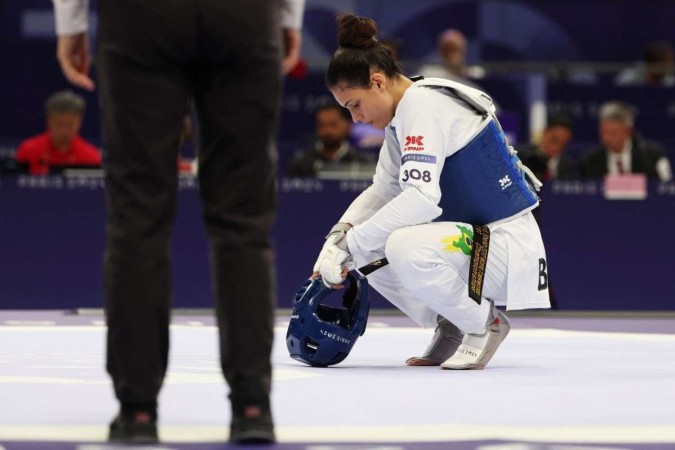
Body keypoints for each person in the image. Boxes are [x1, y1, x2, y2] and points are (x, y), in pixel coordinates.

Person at [52, 0, 304, 444]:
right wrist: (286, 15)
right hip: (242, 16)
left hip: (142, 18)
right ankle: (251, 404)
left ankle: (137, 411)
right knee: (243, 223)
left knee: (138, 219)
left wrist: (70, 21)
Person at [312, 14, 550, 371]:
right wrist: (337, 240)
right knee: (365, 249)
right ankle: (453, 322)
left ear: (377, 82)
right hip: (474, 242)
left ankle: (484, 323)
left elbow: (421, 199)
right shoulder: (401, 116)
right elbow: (383, 189)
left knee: (398, 244)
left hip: (504, 244)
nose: (356, 120)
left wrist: (352, 242)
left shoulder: (422, 104)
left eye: (354, 105)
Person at [579, 101, 672, 181]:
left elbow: (664, 187)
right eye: (603, 132)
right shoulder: (590, 162)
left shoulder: (652, 157)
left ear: (628, 131)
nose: (606, 138)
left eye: (613, 133)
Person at [15, 90, 101, 175]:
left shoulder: (90, 156)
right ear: (49, 120)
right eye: (59, 124)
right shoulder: (28, 150)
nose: (64, 132)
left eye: (69, 125)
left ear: (80, 122)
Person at [287, 103, 374, 177]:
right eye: (322, 125)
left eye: (333, 125)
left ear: (348, 126)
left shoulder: (362, 162)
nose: (327, 131)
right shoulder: (301, 164)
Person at [417, 29, 487, 92]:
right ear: (441, 50)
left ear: (463, 50)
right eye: (448, 49)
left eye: (456, 48)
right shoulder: (428, 73)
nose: (453, 54)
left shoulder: (476, 73)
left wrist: (460, 71)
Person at [517, 114, 576, 181]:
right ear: (544, 132)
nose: (557, 147)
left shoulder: (568, 168)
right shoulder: (521, 158)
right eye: (553, 140)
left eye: (563, 144)